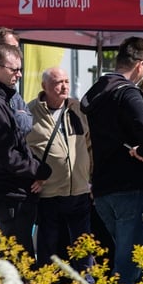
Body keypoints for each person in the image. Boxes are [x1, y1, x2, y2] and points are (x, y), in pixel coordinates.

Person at [80, 36, 143, 284]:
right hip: (132, 186)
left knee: (126, 257)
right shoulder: (128, 92)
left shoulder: (97, 92)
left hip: (104, 188)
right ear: (139, 65)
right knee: (130, 263)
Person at [0, 44, 51, 258]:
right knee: (19, 261)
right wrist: (39, 170)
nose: (19, 74)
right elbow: (7, 155)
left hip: (8, 191)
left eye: (20, 69)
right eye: (14, 69)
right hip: (8, 193)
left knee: (15, 257)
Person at [27, 67, 93, 272]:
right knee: (49, 244)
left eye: (66, 81)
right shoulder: (30, 112)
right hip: (50, 192)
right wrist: (33, 176)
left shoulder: (78, 108)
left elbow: (90, 144)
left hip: (80, 189)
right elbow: (22, 150)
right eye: (58, 82)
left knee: (83, 244)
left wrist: (92, 177)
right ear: (44, 87)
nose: (64, 86)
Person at [0, 27, 33, 136]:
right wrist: (19, 115)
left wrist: (16, 116)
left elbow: (28, 123)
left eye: (17, 48)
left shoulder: (11, 87)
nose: (17, 53)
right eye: (11, 48)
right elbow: (0, 127)